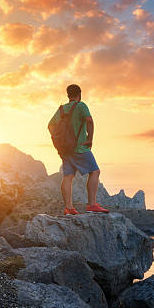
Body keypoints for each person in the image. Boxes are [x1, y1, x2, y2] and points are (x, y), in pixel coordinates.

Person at [48, 84, 109, 215]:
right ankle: (92, 204)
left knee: (68, 176)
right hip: (79, 147)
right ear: (79, 94)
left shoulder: (61, 109)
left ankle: (69, 208)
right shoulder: (81, 106)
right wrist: (90, 139)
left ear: (67, 95)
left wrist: (59, 141)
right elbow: (89, 121)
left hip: (64, 149)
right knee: (95, 172)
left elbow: (50, 126)